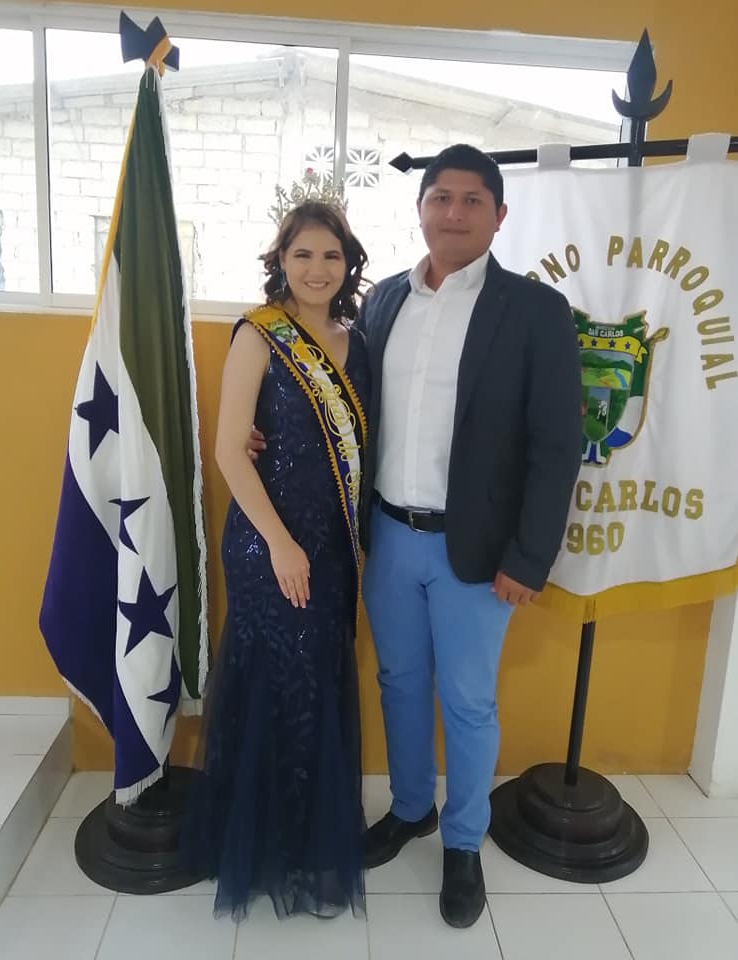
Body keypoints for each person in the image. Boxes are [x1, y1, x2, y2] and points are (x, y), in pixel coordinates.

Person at [357, 143, 582, 928]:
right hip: (388, 536)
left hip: (479, 553)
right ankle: (410, 808)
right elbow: (350, 408)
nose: (453, 213)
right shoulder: (384, 301)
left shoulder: (536, 312)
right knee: (399, 683)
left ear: (498, 215)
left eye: (472, 200)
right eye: (440, 198)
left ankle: (462, 842)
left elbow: (557, 446)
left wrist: (529, 557)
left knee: (467, 701)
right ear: (420, 209)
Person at [186, 199, 370, 921]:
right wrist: (281, 543)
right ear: (281, 262)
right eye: (303, 255)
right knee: (271, 681)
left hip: (334, 544)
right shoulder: (258, 335)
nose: (317, 269)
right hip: (270, 544)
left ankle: (305, 833)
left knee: (318, 683)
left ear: (348, 264)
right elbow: (231, 451)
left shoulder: (359, 342)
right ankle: (259, 841)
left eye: (331, 256)